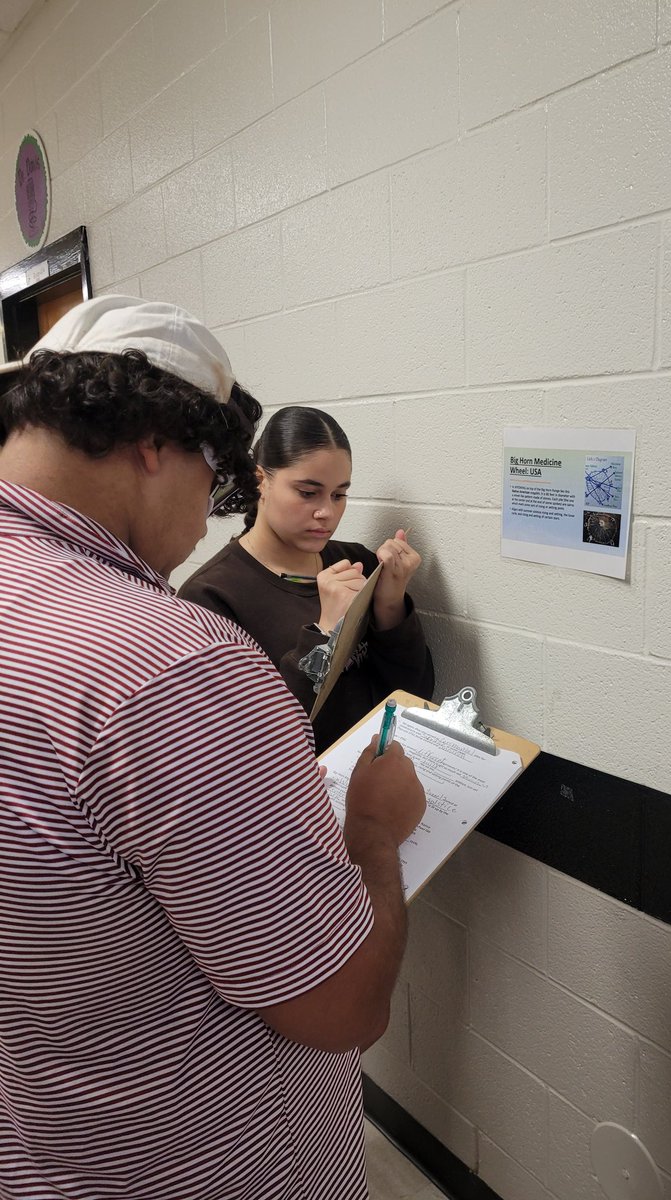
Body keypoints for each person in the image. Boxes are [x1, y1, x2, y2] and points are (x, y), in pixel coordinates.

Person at [0, 296, 425, 1199]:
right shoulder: (169, 661)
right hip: (199, 1162)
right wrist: (376, 838)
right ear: (157, 438)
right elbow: (342, 1005)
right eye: (213, 482)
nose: (202, 523)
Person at [178, 405, 435, 751]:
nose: (326, 512)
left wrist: (390, 605)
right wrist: (325, 632)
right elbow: (250, 744)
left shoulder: (355, 561)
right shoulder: (209, 596)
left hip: (373, 776)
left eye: (339, 494)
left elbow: (416, 693)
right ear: (261, 482)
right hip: (295, 796)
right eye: (307, 492)